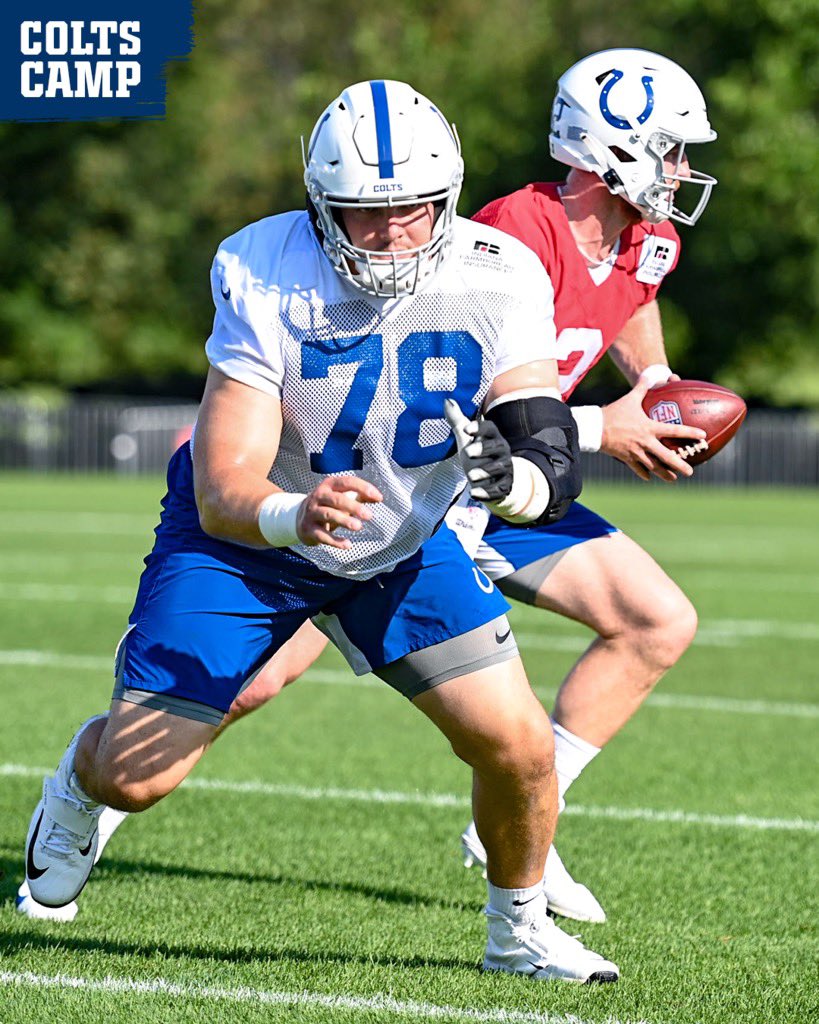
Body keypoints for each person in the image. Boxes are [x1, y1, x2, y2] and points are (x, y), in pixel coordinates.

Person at [20, 48, 715, 926]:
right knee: (243, 692)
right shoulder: (502, 238)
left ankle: (525, 861)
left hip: (461, 487)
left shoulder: (623, 243)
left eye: (684, 152)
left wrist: (642, 386)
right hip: (352, 485)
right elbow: (425, 389)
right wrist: (593, 427)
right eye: (670, 150)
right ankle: (106, 784)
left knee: (636, 635)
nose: (683, 171)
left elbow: (584, 345)